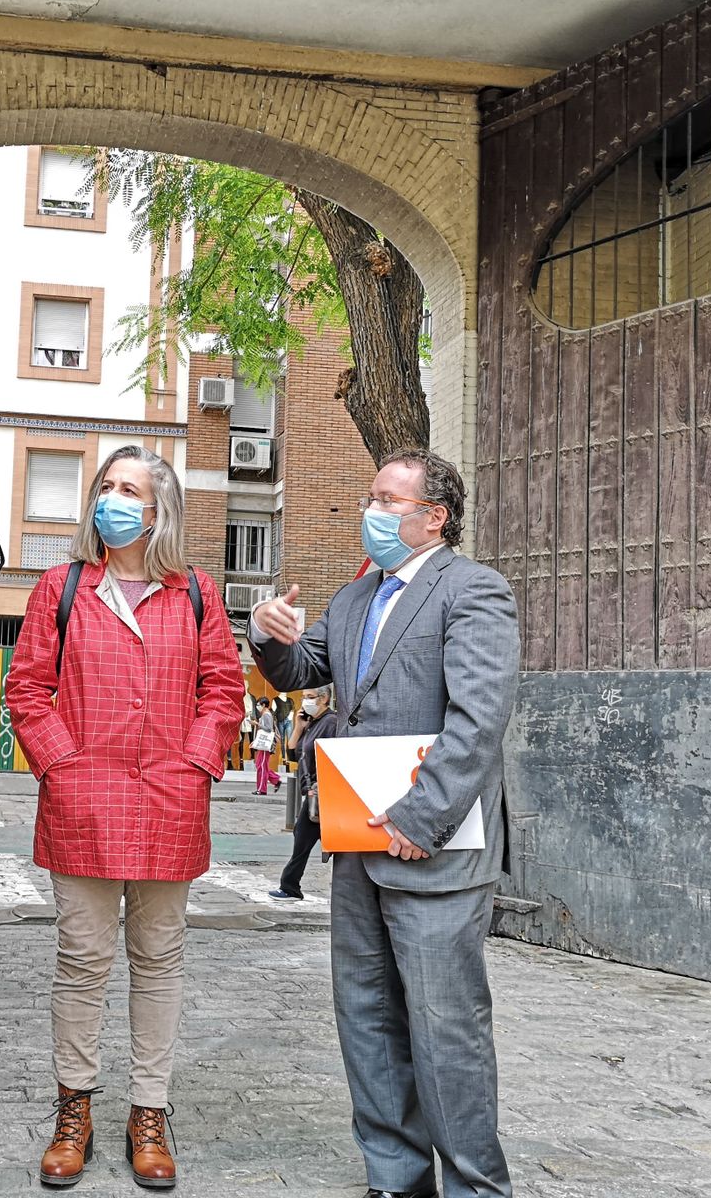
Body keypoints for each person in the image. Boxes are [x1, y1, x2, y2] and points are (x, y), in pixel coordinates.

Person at [249, 447, 520, 1198]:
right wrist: (268, 633)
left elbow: (478, 721)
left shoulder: (474, 593)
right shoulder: (354, 598)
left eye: (386, 499)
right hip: (357, 843)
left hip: (433, 848)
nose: (370, 511)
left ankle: (474, 1184)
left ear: (433, 517)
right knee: (366, 1016)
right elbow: (303, 670)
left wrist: (421, 814)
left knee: (445, 1031)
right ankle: (397, 1177)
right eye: (371, 496)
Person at [5, 445, 244, 1191]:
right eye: (105, 486)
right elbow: (25, 690)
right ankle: (73, 1107)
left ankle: (150, 1110)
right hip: (83, 800)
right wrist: (65, 766)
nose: (112, 498)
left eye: (128, 489)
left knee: (159, 958)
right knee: (81, 960)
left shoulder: (196, 591)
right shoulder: (62, 587)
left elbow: (223, 692)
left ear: (156, 510)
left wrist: (195, 764)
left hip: (169, 801)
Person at [268, 684, 337, 902]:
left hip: (322, 791)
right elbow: (292, 753)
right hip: (312, 791)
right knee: (304, 837)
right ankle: (290, 886)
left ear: (324, 699)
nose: (305, 701)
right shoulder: (312, 723)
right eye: (304, 697)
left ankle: (290, 886)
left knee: (303, 837)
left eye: (310, 697)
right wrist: (298, 726)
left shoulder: (331, 723)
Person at [251, 696, 282, 795]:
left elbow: (268, 729)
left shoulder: (266, 715)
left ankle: (262, 789)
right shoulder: (265, 714)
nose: (257, 706)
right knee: (260, 765)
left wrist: (257, 723)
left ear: (263, 705)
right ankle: (275, 780)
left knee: (262, 766)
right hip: (263, 743)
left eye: (258, 704)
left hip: (266, 744)